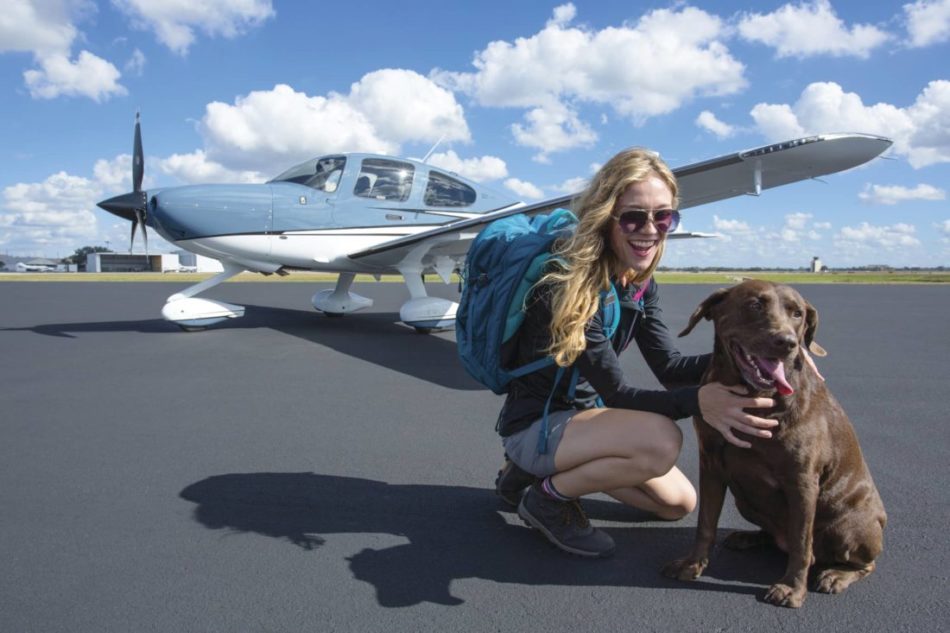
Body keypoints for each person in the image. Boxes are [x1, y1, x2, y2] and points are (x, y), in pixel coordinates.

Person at [494, 147, 782, 559]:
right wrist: (701, 402)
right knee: (662, 439)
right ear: (605, 216)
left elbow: (669, 366)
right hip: (534, 426)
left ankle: (528, 475)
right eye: (633, 216)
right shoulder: (568, 286)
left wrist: (752, 354)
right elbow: (618, 395)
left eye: (663, 216)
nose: (650, 229)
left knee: (677, 504)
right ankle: (547, 498)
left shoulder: (637, 284)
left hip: (580, 424)